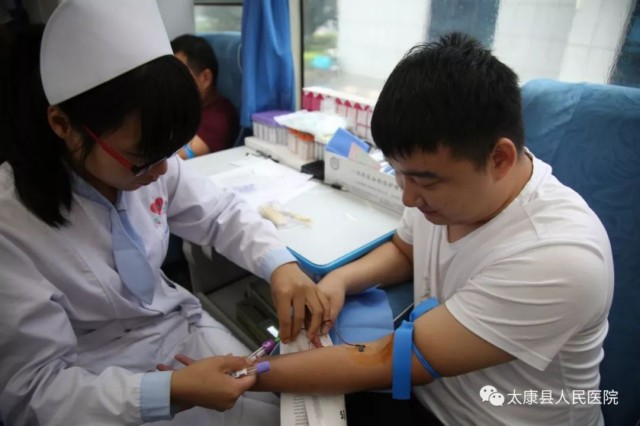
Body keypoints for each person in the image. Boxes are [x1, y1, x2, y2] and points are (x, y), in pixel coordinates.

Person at [227, 33, 609, 425]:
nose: (408, 198)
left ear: (499, 159)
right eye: (399, 173)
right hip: (430, 392)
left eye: (424, 182)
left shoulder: (558, 257)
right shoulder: (451, 187)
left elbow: (394, 360)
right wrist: (339, 280)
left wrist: (243, 376)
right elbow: (405, 250)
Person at [0, 1, 328, 425]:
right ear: (63, 125)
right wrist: (168, 391)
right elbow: (34, 390)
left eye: (168, 154)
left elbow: (220, 212)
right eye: (141, 160)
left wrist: (280, 265)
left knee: (281, 414)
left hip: (176, 326)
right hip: (93, 379)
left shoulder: (150, 164)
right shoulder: (11, 225)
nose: (160, 172)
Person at [171, 34, 239, 159]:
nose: (171, 85)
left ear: (205, 78)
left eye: (179, 77)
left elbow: (176, 157)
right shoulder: (186, 107)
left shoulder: (219, 118)